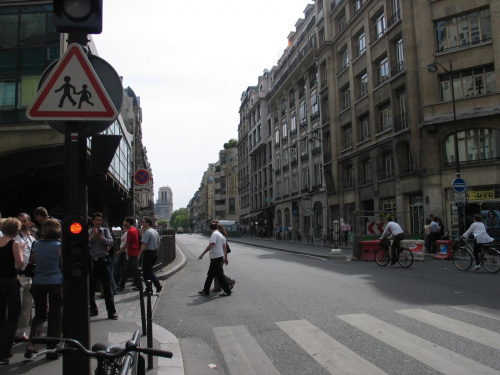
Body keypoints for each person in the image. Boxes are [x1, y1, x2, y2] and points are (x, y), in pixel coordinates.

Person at [24, 219, 63, 360]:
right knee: (55, 315)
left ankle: (32, 343)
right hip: (55, 282)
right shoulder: (59, 245)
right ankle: (52, 348)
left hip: (38, 282)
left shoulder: (36, 244)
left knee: (40, 313)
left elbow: (32, 261)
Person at [0, 218, 23, 365]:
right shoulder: (13, 243)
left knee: (0, 313)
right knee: (14, 314)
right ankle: (4, 349)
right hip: (10, 280)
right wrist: (20, 250)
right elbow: (20, 264)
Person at [88, 212, 118, 320]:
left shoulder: (105, 231)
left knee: (107, 287)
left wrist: (101, 238)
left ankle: (111, 312)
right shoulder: (88, 232)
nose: (98, 222)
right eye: (96, 220)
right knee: (91, 288)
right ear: (93, 221)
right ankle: (93, 309)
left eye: (100, 220)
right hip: (92, 262)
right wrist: (92, 236)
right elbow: (84, 244)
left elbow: (111, 243)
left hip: (103, 261)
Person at [14, 213, 36, 343]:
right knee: (17, 306)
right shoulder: (15, 239)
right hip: (18, 275)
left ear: (29, 223)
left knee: (27, 306)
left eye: (24, 221)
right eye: (20, 221)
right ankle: (12, 331)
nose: (22, 223)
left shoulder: (32, 239)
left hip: (30, 276)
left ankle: (21, 332)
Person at [198, 221, 232, 297]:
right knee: (210, 274)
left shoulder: (214, 235)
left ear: (210, 228)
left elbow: (210, 245)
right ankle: (205, 290)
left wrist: (202, 254)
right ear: (217, 227)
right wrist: (225, 258)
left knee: (219, 275)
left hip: (215, 257)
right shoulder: (221, 235)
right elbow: (225, 247)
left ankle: (227, 291)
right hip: (218, 256)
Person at [116, 217, 142, 292]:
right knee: (128, 269)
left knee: (134, 270)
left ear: (128, 222)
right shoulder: (135, 230)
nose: (124, 223)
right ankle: (122, 284)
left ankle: (139, 285)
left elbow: (127, 243)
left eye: (125, 222)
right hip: (134, 251)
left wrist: (120, 250)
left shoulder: (130, 231)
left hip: (132, 252)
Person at [139, 217, 162, 294]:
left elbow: (144, 243)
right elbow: (159, 242)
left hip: (148, 253)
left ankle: (151, 288)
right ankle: (156, 285)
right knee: (149, 270)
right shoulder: (154, 231)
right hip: (154, 252)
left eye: (143, 222)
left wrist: (139, 253)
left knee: (146, 272)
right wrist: (156, 250)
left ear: (147, 223)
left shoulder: (148, 232)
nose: (142, 223)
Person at [212, 223, 235, 293]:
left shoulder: (220, 236)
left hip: (220, 255)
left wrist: (225, 257)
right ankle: (218, 286)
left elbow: (224, 247)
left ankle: (229, 281)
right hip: (218, 255)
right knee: (217, 271)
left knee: (217, 272)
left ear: (219, 229)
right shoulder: (218, 235)